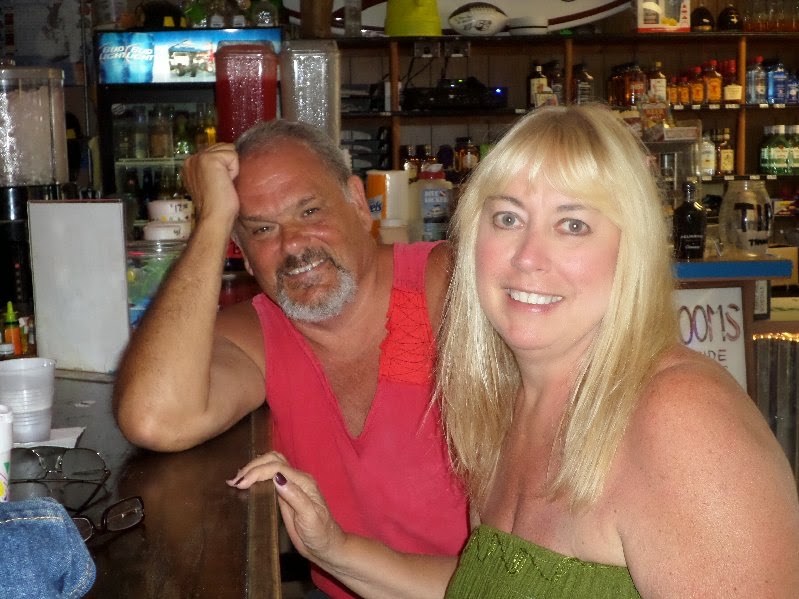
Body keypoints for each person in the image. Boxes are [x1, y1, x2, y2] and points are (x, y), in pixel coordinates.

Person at [229, 104, 799, 598]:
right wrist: (333, 548)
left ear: (631, 249)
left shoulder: (681, 419)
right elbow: (488, 585)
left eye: (572, 225)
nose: (527, 257)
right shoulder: (501, 408)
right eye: (507, 218)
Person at [112, 119, 469, 598]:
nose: (293, 244)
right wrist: (213, 221)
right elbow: (155, 417)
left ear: (357, 202)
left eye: (310, 210)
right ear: (242, 252)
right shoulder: (259, 331)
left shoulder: (451, 285)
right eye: (262, 228)